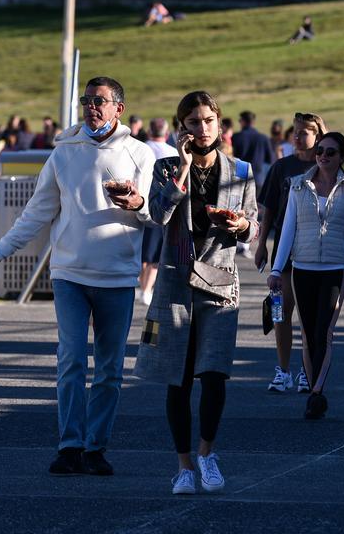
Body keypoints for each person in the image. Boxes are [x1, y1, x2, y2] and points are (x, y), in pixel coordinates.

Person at [0, 76, 155, 476]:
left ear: (118, 108)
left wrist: (138, 203)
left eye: (100, 101)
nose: (92, 107)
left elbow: (157, 212)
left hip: (118, 276)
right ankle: (69, 444)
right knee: (70, 359)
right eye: (87, 100)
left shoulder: (140, 153)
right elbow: (36, 212)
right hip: (69, 272)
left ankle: (95, 447)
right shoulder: (64, 152)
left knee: (110, 368)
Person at [134, 91, 259, 495]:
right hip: (174, 282)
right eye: (193, 122)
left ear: (219, 124)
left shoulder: (241, 169)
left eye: (208, 121)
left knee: (215, 373)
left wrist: (240, 226)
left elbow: (254, 227)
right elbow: (158, 214)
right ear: (182, 127)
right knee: (178, 377)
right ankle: (184, 466)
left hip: (220, 281)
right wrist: (183, 169)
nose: (202, 129)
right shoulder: (167, 165)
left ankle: (207, 454)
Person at [270, 132, 344, 419]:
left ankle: (316, 392)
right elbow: (287, 230)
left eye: (331, 152)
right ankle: (313, 389)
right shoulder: (299, 187)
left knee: (325, 331)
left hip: (334, 269)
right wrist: (276, 269)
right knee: (308, 333)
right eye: (320, 150)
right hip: (303, 269)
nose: (323, 156)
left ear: (342, 158)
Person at [255, 111, 327, 394]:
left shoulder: (326, 166)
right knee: (279, 311)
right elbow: (268, 208)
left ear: (317, 135)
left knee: (309, 316)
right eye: (294, 131)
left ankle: (306, 371)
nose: (295, 136)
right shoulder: (282, 167)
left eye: (303, 132)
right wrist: (261, 244)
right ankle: (283, 370)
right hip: (283, 251)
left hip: (314, 251)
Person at [138, 118, 178, 306]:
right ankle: (146, 290)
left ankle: (139, 285)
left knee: (141, 252)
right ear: (167, 134)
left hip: (138, 204)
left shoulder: (139, 148)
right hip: (161, 206)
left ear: (148, 131)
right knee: (154, 255)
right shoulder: (173, 153)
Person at [231, 111, 272, 190]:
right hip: (258, 178)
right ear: (253, 122)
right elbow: (269, 159)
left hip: (240, 178)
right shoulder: (263, 138)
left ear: (243, 121)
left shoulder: (236, 137)